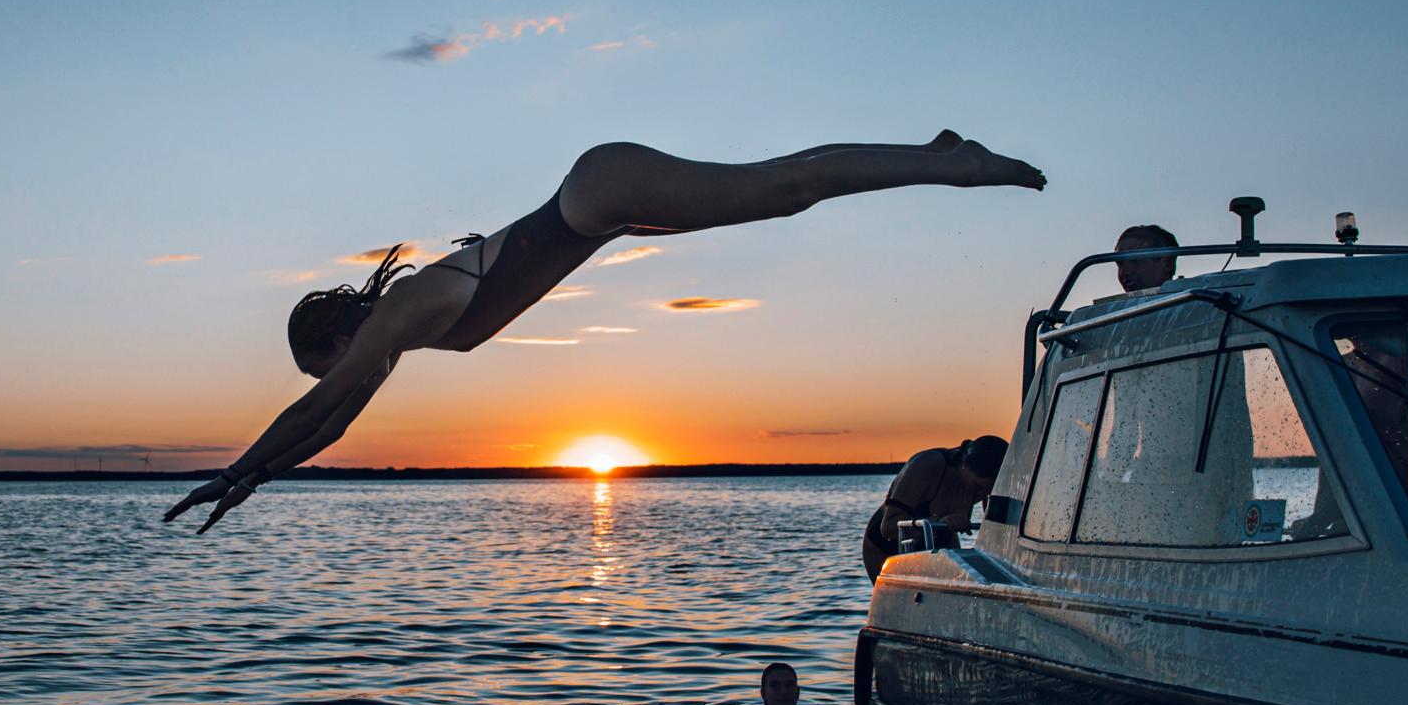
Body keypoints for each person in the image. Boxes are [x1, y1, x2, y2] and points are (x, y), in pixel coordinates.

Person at [167, 133, 1046, 531]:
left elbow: (324, 406)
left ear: (332, 339)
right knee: (780, 191)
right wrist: (258, 477)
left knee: (783, 187)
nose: (338, 373)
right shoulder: (394, 340)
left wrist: (240, 470)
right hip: (602, 210)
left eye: (324, 362)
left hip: (599, 193)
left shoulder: (392, 321)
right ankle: (935, 155)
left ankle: (952, 162)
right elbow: (334, 420)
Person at [862, 435, 1008, 581]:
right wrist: (939, 521)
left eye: (989, 490)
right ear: (964, 465)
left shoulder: (989, 482)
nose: (982, 494)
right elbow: (888, 527)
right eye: (978, 487)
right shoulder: (927, 465)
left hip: (941, 541)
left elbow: (996, 535)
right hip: (886, 547)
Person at [1113, 223, 1178, 293]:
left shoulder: (1189, 298)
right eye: (1120, 264)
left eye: (1136, 259)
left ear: (1168, 264)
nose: (1125, 272)